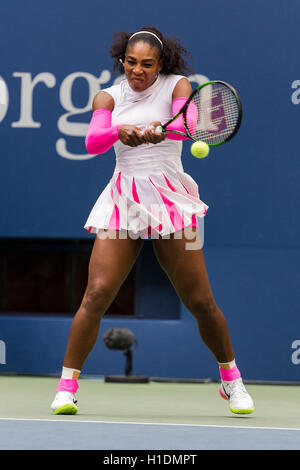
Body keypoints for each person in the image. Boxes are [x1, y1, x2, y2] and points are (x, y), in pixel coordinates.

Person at [51, 27, 254, 415]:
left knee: (200, 300)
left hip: (173, 201)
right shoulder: (108, 96)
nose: (137, 71)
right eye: (131, 63)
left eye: (147, 64)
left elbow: (186, 126)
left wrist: (154, 131)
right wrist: (118, 131)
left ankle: (232, 381)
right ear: (121, 60)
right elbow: (93, 141)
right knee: (96, 294)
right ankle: (66, 387)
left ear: (160, 64)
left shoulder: (178, 86)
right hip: (123, 200)